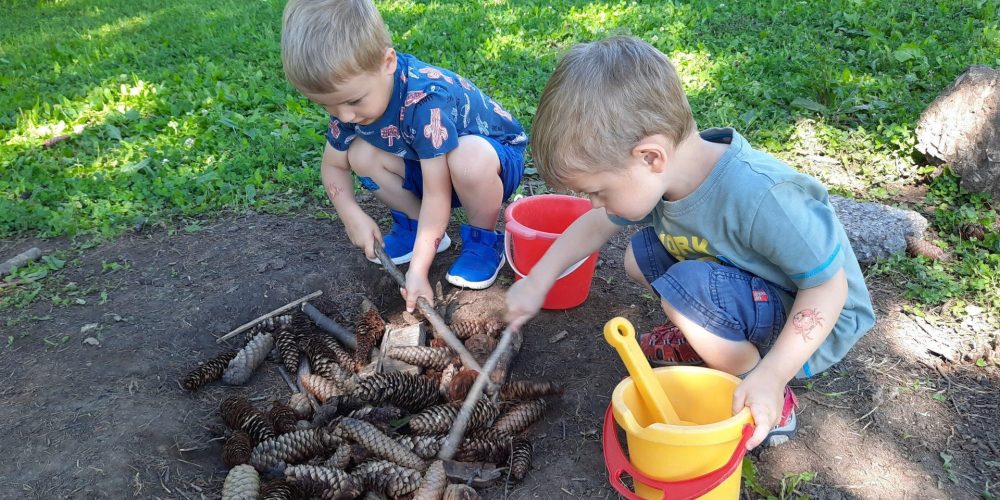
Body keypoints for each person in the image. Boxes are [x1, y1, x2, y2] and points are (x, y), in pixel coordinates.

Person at [505, 36, 875, 449]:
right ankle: (717, 337)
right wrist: (539, 279)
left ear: (650, 157)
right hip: (748, 286)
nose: (594, 203)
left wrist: (773, 375)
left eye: (599, 191)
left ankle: (761, 386)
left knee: (683, 296)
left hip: (814, 317)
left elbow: (828, 287)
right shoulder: (665, 176)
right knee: (638, 256)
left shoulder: (761, 196)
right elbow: (594, 224)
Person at [281, 0, 527, 311]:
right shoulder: (350, 107)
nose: (345, 116)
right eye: (329, 106)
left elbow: (438, 196)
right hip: (429, 162)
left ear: (387, 63)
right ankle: (416, 226)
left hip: (493, 161)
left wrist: (418, 272)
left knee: (467, 158)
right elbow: (333, 166)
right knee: (360, 156)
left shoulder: (426, 103)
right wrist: (350, 215)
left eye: (354, 101)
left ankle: (483, 241)